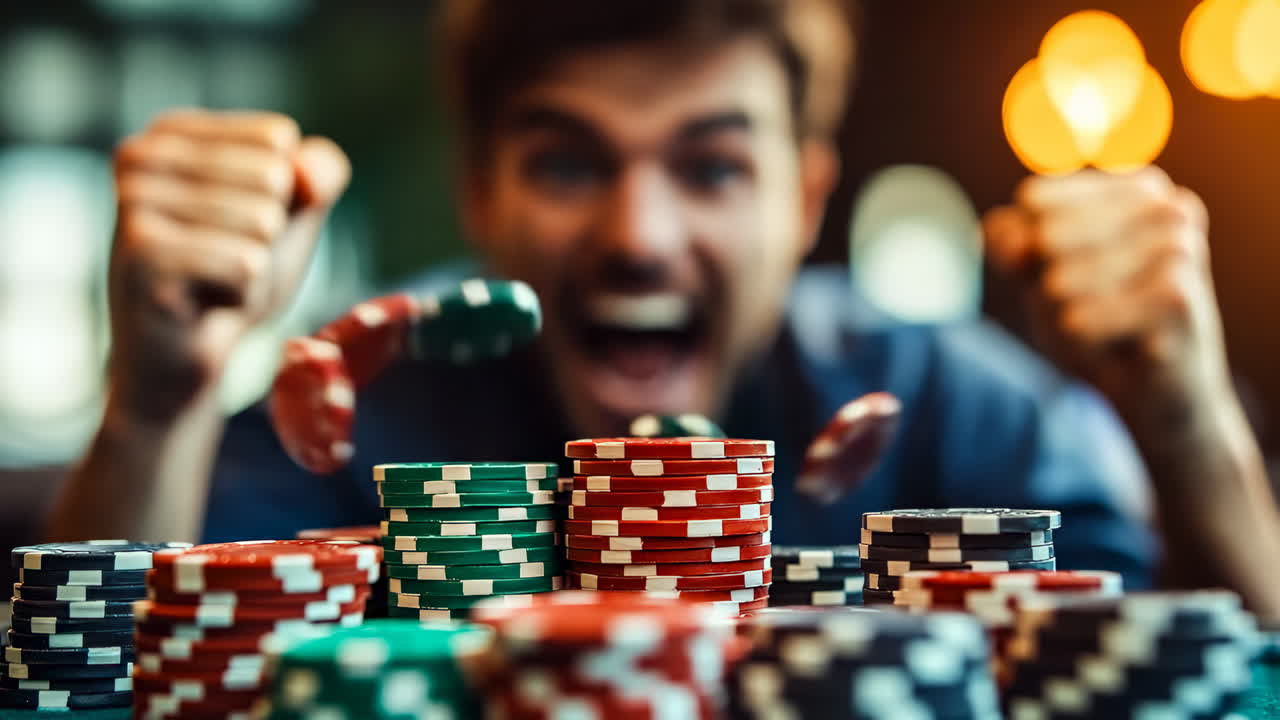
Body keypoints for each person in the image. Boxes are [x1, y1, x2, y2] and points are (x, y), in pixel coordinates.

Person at [48, 0, 1280, 617]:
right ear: (480, 187)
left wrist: (1189, 426)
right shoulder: (360, 394)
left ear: (804, 199)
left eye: (708, 166)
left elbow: (1204, 659)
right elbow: (120, 657)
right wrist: (157, 407)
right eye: (571, 161)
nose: (637, 238)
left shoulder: (946, 399)